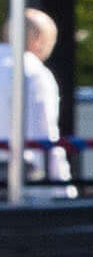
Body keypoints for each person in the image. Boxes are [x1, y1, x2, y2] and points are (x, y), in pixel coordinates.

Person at [5, 10, 55, 196]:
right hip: (19, 177)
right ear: (38, 39)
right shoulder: (34, 71)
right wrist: (64, 190)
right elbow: (45, 134)